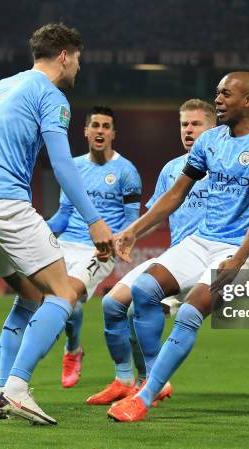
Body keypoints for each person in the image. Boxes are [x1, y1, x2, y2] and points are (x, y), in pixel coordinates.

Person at [0, 23, 114, 425]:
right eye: (79, 60)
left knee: (32, 296)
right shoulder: (51, 97)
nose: (79, 69)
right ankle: (17, 389)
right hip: (5, 204)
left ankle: (4, 389)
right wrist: (95, 221)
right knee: (64, 294)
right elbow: (63, 163)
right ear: (65, 55)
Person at [107, 72, 249, 422]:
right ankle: (155, 379)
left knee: (189, 312)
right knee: (143, 289)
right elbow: (176, 193)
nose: (218, 99)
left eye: (226, 94)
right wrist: (134, 231)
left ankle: (143, 398)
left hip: (238, 248)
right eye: (216, 92)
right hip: (200, 240)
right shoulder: (210, 141)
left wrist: (239, 257)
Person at [0, 106, 141, 390]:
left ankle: (24, 370)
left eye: (106, 126)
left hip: (97, 251)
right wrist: (31, 233)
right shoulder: (73, 167)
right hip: (64, 244)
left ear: (113, 134)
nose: (100, 131)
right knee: (33, 296)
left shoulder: (126, 172)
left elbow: (132, 223)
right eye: (95, 125)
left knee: (63, 296)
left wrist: (115, 243)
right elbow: (62, 216)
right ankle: (10, 361)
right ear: (85, 131)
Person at [85, 99, 215, 406]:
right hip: (175, 256)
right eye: (184, 124)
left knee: (135, 309)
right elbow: (157, 212)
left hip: (204, 261)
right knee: (112, 304)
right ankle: (123, 379)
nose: (188, 130)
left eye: (196, 124)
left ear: (213, 128)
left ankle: (153, 381)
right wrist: (127, 236)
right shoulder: (172, 170)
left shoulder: (224, 170)